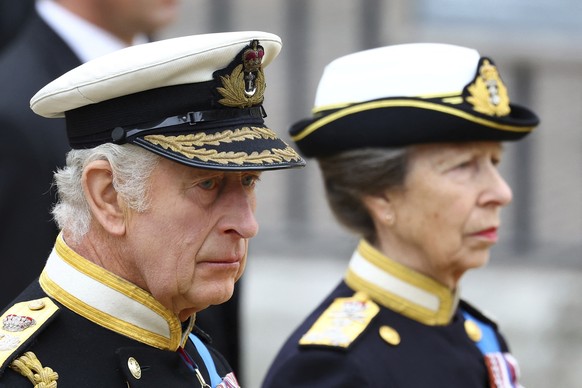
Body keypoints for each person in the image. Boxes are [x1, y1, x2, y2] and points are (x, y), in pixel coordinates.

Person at [0, 31, 305, 386]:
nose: (247, 224)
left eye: (249, 181)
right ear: (109, 196)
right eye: (207, 184)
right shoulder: (25, 376)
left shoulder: (194, 352)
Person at [262, 43, 540, 387]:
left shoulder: (477, 335)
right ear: (380, 194)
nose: (502, 193)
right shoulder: (335, 368)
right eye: (464, 166)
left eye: (494, 162)